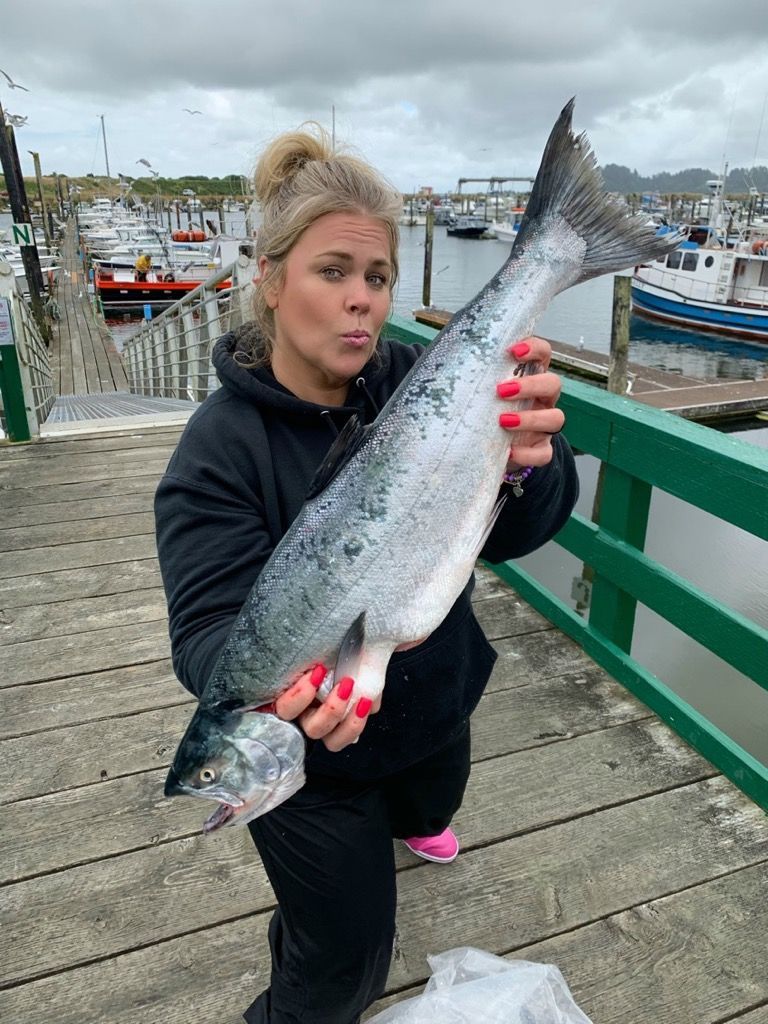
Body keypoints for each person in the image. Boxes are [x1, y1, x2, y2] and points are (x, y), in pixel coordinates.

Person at [154, 124, 579, 1024]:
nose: (361, 303)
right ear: (268, 279)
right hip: (315, 756)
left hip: (440, 697)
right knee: (340, 958)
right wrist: (263, 694)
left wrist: (533, 458)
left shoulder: (431, 380)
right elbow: (203, 634)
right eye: (331, 272)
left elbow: (516, 533)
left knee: (432, 797)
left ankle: (418, 820)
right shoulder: (215, 456)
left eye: (377, 278)